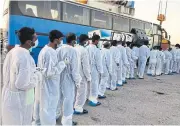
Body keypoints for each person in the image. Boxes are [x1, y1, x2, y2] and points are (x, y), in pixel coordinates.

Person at [2, 27, 39, 125]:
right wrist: (37, 76)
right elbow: (22, 84)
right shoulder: (25, 56)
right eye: (35, 38)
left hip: (10, 96)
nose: (36, 40)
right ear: (28, 42)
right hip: (20, 100)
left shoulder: (13, 51)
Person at [33, 30, 68, 125]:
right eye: (60, 40)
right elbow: (50, 72)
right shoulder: (50, 52)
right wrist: (63, 63)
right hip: (49, 87)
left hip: (43, 85)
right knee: (49, 109)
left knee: (41, 107)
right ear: (56, 40)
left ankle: (38, 123)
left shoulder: (44, 50)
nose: (61, 42)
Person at [56, 33, 81, 125]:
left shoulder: (58, 49)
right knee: (68, 100)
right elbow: (75, 69)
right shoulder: (73, 51)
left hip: (59, 76)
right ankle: (67, 121)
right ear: (74, 40)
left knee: (58, 98)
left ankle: (55, 115)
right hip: (68, 78)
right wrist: (77, 81)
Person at [74, 34, 91, 115]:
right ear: (85, 41)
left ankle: (74, 106)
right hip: (81, 75)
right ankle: (78, 108)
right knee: (82, 92)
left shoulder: (75, 48)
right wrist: (88, 77)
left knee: (75, 92)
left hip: (74, 74)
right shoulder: (83, 50)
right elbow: (86, 66)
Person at [86, 34, 103, 106]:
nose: (98, 42)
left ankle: (87, 97)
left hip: (87, 69)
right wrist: (101, 71)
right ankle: (93, 100)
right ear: (96, 40)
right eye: (98, 40)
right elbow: (98, 62)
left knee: (87, 84)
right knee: (94, 84)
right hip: (94, 70)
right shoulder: (96, 50)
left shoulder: (86, 48)